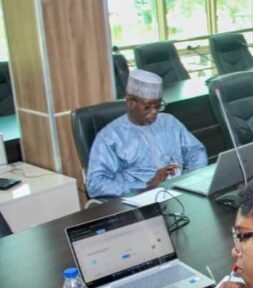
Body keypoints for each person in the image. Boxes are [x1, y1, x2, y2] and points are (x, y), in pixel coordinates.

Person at [85, 68, 207, 198]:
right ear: (130, 102)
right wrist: (147, 184)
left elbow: (196, 151)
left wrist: (192, 181)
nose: (154, 112)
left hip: (180, 192)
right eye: (147, 107)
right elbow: (95, 184)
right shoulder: (110, 137)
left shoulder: (169, 122)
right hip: (140, 199)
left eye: (158, 106)